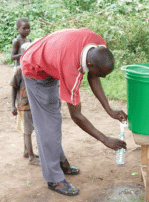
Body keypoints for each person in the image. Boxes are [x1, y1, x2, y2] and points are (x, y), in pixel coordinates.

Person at [21, 28, 127, 196]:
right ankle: (54, 179)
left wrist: (110, 110)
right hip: (35, 67)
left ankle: (60, 162)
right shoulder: (71, 71)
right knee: (48, 123)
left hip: (51, 56)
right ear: (90, 65)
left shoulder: (97, 43)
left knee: (53, 118)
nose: (104, 77)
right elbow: (76, 116)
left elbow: (94, 76)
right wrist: (105, 139)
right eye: (102, 73)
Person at [10, 64, 40, 165]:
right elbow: (13, 87)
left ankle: (27, 151)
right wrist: (13, 105)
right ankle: (31, 157)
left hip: (33, 105)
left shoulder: (36, 67)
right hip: (24, 105)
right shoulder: (20, 70)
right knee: (27, 131)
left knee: (27, 129)